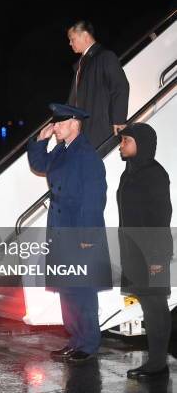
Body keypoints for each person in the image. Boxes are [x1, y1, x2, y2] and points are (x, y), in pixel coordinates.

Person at [28, 103, 111, 364]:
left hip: (78, 231)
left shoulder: (87, 155)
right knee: (67, 290)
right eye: (54, 124)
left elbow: (94, 199)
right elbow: (40, 164)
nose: (55, 129)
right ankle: (75, 339)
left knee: (82, 291)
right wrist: (39, 141)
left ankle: (88, 343)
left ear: (75, 123)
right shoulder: (63, 151)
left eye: (60, 124)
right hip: (61, 230)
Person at [117, 123, 173, 381]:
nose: (122, 145)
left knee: (155, 306)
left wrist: (155, 258)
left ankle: (158, 364)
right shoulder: (128, 174)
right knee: (148, 305)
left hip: (152, 250)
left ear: (142, 143)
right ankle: (155, 361)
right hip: (134, 250)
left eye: (126, 140)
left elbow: (161, 216)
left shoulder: (154, 174)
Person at [66, 20, 130, 148]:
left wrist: (118, 120)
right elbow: (75, 100)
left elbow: (120, 86)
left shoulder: (105, 57)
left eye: (72, 39)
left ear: (85, 35)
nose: (70, 43)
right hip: (83, 132)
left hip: (100, 130)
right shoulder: (81, 66)